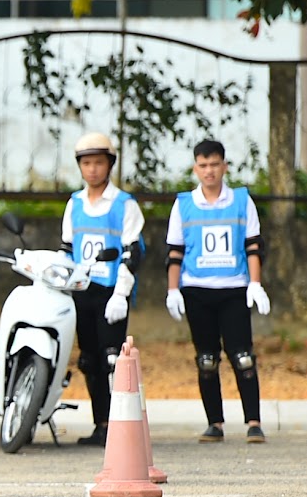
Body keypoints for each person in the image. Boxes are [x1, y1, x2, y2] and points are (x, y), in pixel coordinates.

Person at [165, 139, 270, 443]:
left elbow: (253, 245)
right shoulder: (184, 204)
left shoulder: (241, 200)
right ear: (195, 168)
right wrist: (173, 290)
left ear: (224, 166)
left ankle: (253, 421)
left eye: (214, 164)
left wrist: (255, 283)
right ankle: (215, 423)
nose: (209, 171)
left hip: (234, 288)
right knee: (207, 358)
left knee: (243, 356)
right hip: (197, 290)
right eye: (203, 165)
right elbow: (175, 251)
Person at [60, 132, 146, 446]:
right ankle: (102, 424)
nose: (92, 169)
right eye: (86, 163)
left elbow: (132, 252)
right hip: (82, 291)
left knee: (112, 359)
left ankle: (122, 429)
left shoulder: (124, 204)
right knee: (89, 360)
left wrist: (122, 294)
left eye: (98, 162)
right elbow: (67, 249)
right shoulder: (75, 203)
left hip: (110, 292)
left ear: (109, 164)